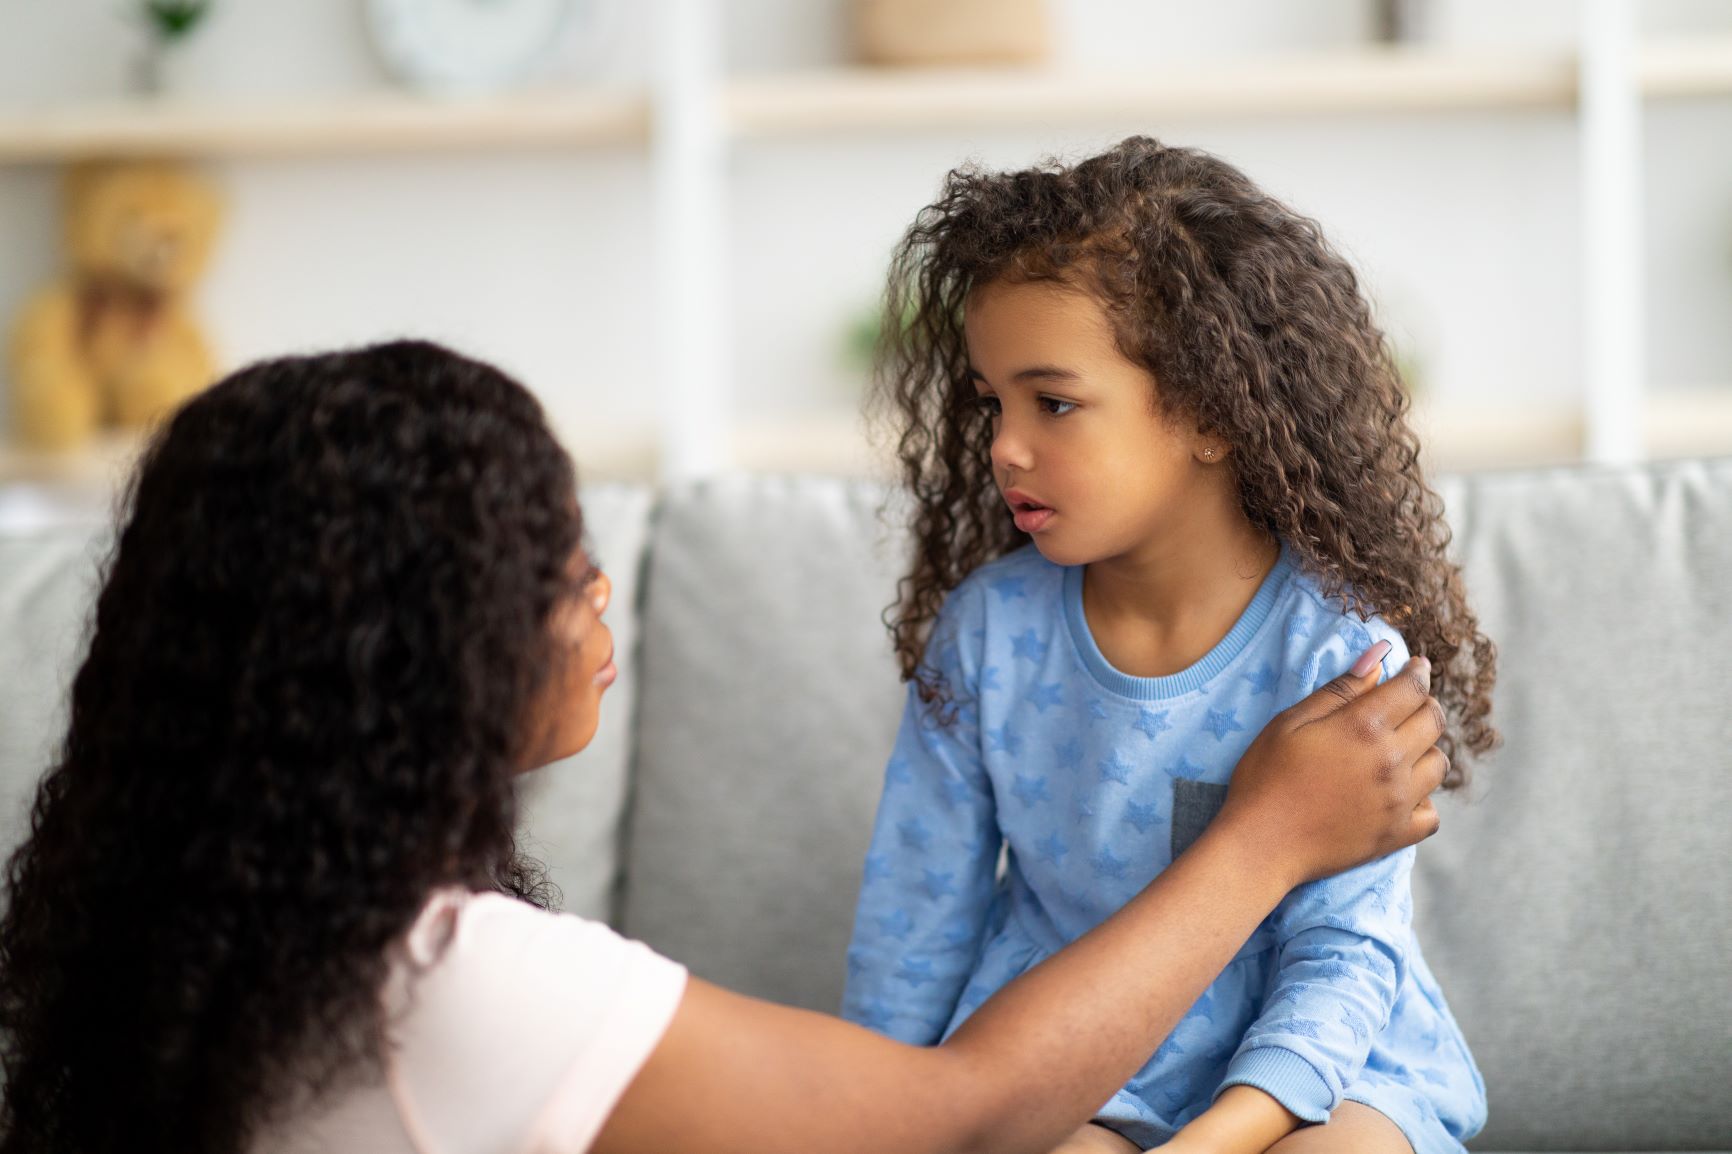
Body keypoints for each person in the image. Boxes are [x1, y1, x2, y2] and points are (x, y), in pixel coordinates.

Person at [0, 341, 1449, 1154]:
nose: (596, 584)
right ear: (409, 643)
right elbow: (957, 1117)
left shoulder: (210, 948)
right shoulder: (460, 980)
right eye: (550, 559)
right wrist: (1269, 831)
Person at [843, 137, 1498, 1154]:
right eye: (992, 403)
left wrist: (1214, 1139)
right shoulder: (986, 634)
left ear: (1210, 413)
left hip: (1324, 1071)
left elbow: (1341, 957)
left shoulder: (1341, 656)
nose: (1005, 445)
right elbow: (914, 923)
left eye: (1053, 402)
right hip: (1074, 1057)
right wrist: (870, 1120)